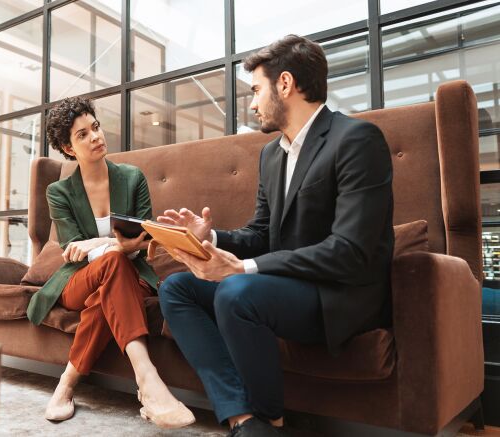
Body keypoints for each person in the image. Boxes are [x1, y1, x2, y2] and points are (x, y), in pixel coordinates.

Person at [157, 35, 393, 437]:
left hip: (335, 294)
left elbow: (350, 250)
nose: (251, 103)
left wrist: (243, 268)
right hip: (281, 288)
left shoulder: (356, 140)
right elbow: (263, 233)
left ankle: (269, 418)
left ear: (285, 84)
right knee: (176, 288)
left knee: (235, 291)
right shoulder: (271, 154)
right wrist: (210, 236)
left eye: (256, 90)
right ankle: (244, 419)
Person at [26, 97, 195, 428]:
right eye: (82, 135)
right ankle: (147, 379)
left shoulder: (132, 178)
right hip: (79, 279)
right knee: (113, 265)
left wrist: (101, 242)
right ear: (68, 147)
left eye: (96, 127)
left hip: (132, 274)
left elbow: (147, 238)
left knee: (109, 287)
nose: (95, 137)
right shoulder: (59, 192)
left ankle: (67, 385)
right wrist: (113, 245)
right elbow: (75, 251)